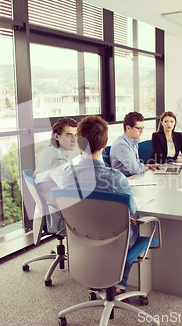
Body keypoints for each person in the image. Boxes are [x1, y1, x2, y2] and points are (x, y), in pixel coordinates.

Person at [61, 115, 138, 296]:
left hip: (80, 235)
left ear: (79, 144)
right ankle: (120, 285)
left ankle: (96, 278)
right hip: (113, 238)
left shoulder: (67, 173)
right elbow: (132, 210)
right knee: (134, 227)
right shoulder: (115, 177)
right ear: (105, 145)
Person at [34, 117, 78, 233]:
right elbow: (69, 188)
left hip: (52, 204)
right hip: (58, 209)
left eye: (76, 135)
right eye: (68, 135)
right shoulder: (57, 158)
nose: (74, 140)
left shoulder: (49, 150)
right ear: (57, 136)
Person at [110, 111, 162, 177]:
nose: (142, 131)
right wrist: (145, 168)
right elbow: (135, 170)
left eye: (142, 128)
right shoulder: (121, 145)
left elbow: (136, 164)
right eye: (139, 128)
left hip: (134, 177)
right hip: (124, 181)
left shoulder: (133, 142)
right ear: (128, 128)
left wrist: (149, 166)